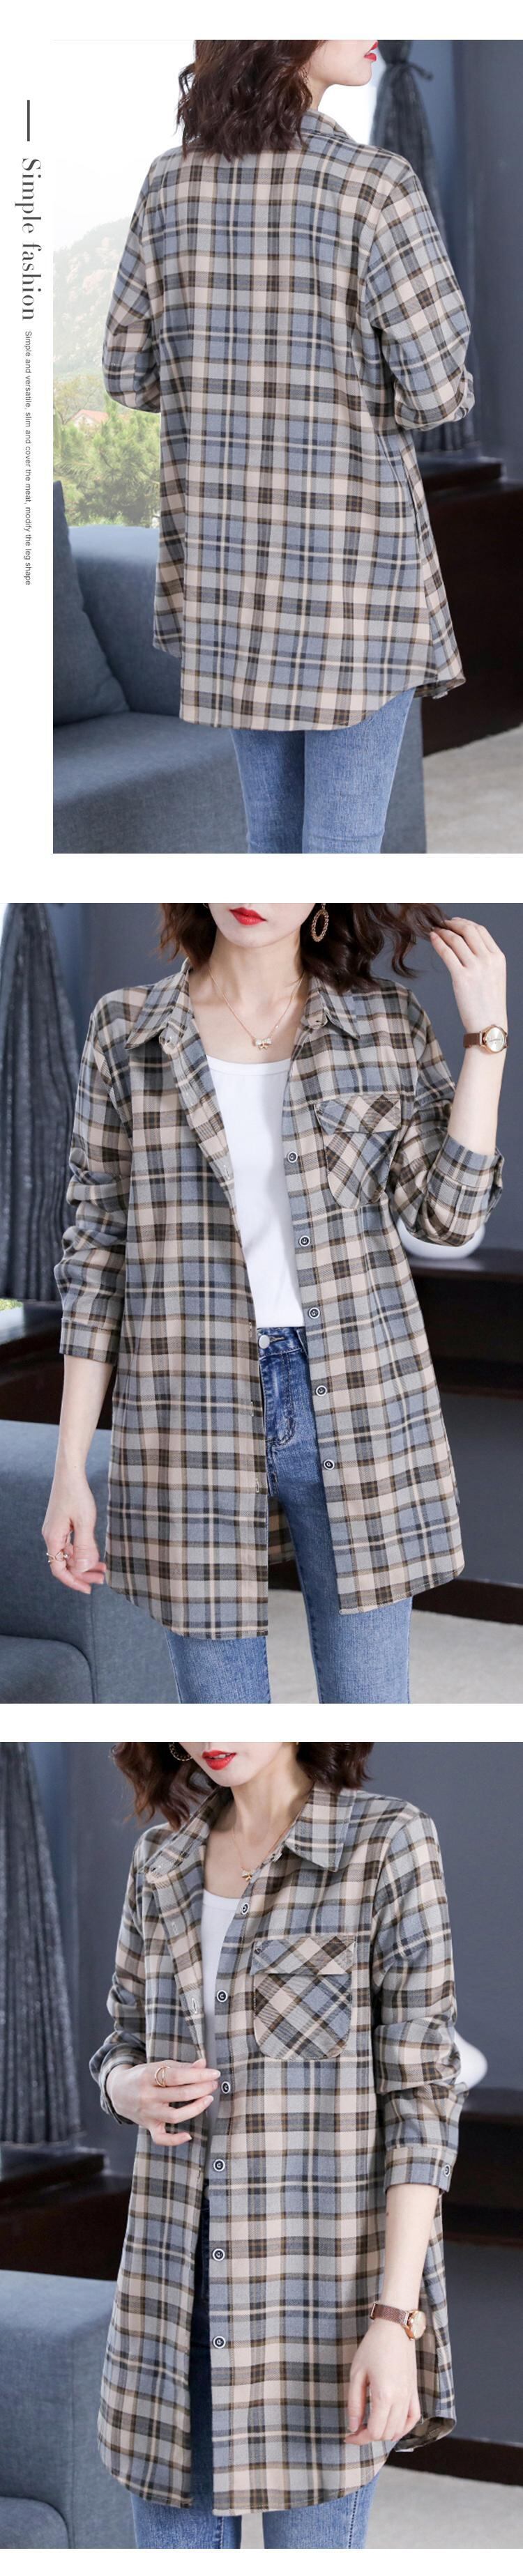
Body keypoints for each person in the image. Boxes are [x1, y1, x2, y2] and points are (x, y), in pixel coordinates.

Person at [45, 902, 507, 1706]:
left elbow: (450, 1219)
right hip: (188, 1405)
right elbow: (96, 1255)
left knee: (370, 1707)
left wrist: (486, 1039)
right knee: (221, 1720)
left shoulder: (384, 1022)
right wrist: (69, 1470)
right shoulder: (125, 1030)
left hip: (358, 1399)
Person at [90, 1738, 467, 2549]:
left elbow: (422, 2101)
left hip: (319, 2300)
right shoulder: (160, 1859)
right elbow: (119, 2042)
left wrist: (395, 2319)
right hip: (171, 2294)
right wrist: (126, 2088)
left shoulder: (387, 1842)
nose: (214, 1734)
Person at [100, 40, 475, 855]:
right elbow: (439, 394)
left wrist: (224, 395)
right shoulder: (375, 186)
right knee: (343, 851)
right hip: (353, 582)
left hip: (228, 578)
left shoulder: (169, 183)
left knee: (270, 847)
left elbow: (127, 373)